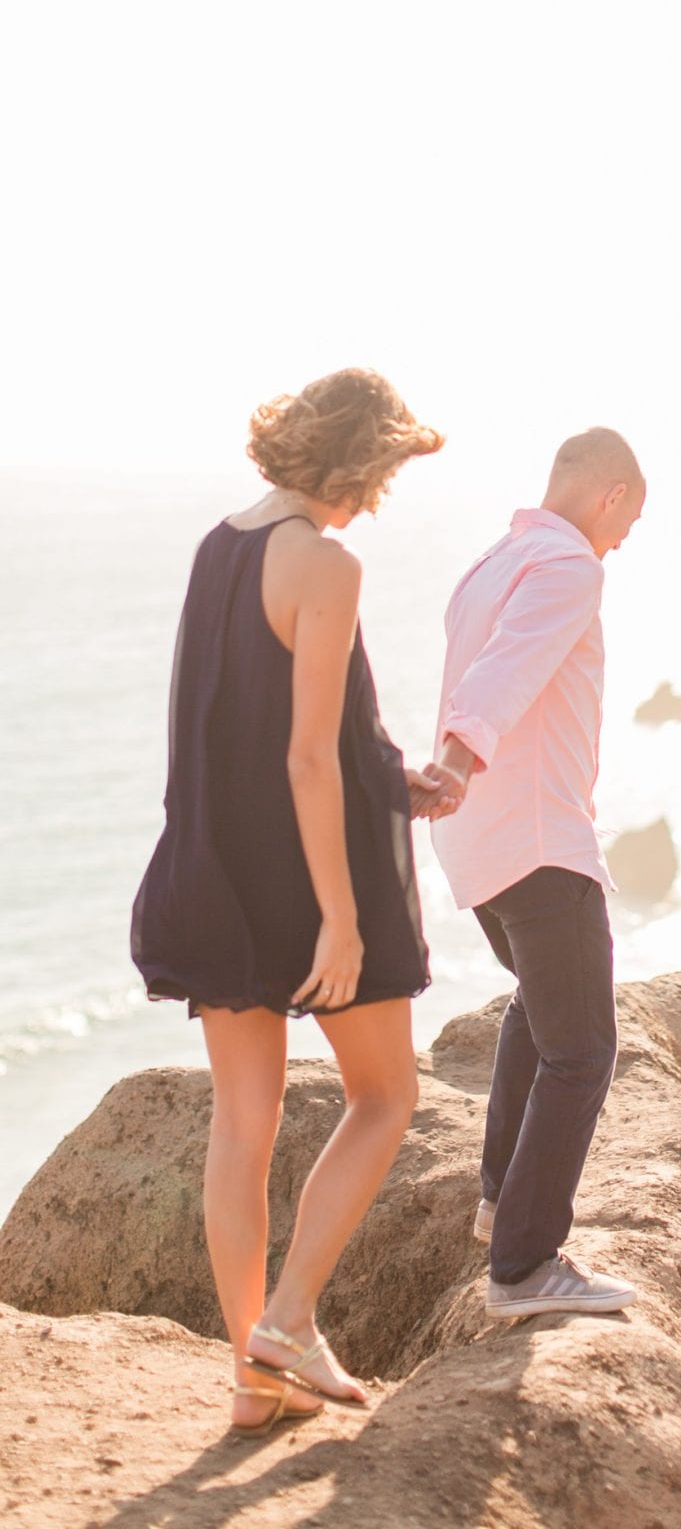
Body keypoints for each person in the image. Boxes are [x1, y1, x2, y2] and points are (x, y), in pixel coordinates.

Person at [131, 368, 454, 1435]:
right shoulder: (327, 560)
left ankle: (253, 1379)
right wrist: (345, 916)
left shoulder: (220, 545)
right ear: (360, 463)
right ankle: (290, 1318)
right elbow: (306, 756)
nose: (381, 499)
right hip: (309, 879)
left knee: (244, 1123)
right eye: (385, 474)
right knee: (384, 1098)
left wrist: (389, 777)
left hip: (218, 873)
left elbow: (245, 724)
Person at [426, 428, 645, 1319]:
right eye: (630, 519)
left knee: (536, 1001)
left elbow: (475, 666)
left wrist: (450, 773)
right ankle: (523, 1267)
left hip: (481, 841)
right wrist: (457, 757)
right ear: (613, 497)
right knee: (586, 1049)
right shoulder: (568, 567)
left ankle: (496, 1202)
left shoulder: (492, 561)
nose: (625, 539)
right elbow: (501, 676)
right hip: (538, 837)